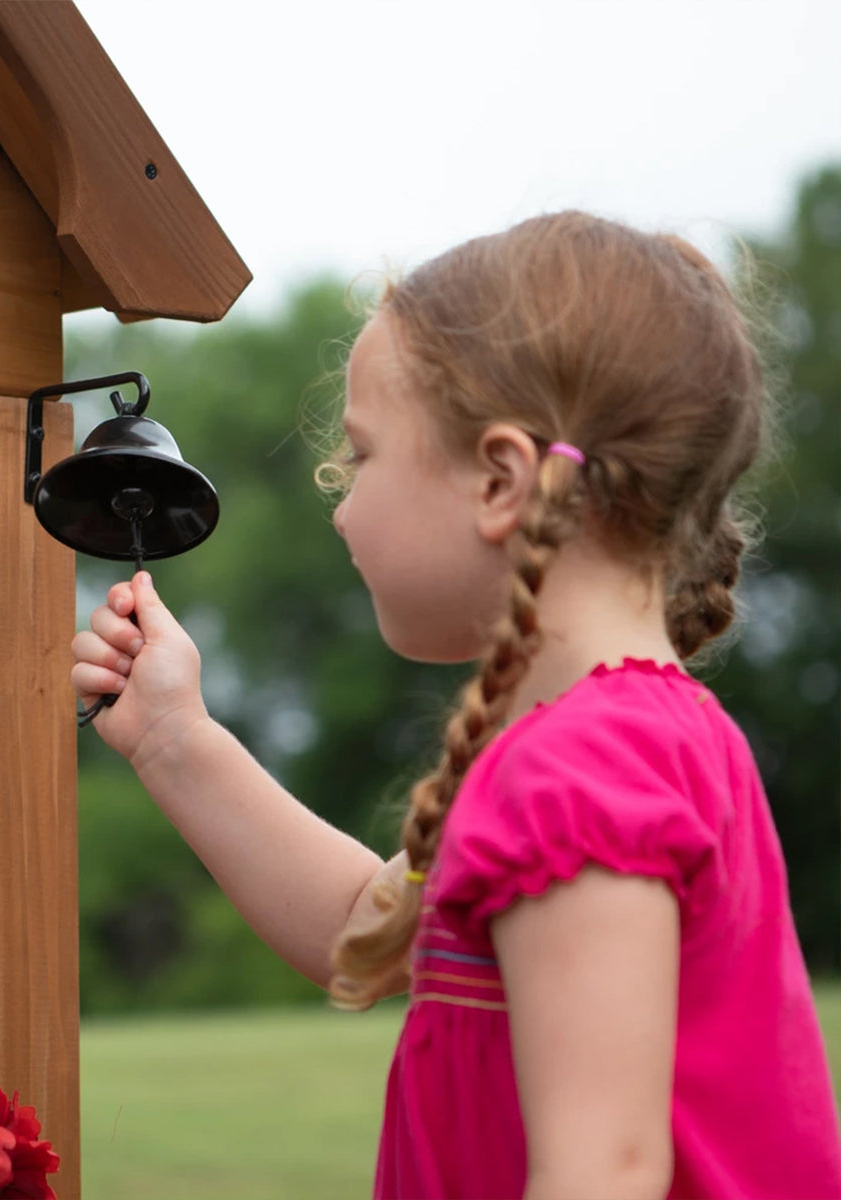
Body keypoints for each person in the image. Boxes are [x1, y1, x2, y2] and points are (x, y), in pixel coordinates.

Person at [70, 212, 841, 1200]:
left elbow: (601, 1174)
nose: (339, 505)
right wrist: (175, 738)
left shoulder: (582, 772)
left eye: (361, 455)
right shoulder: (635, 741)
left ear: (498, 480)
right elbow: (362, 927)